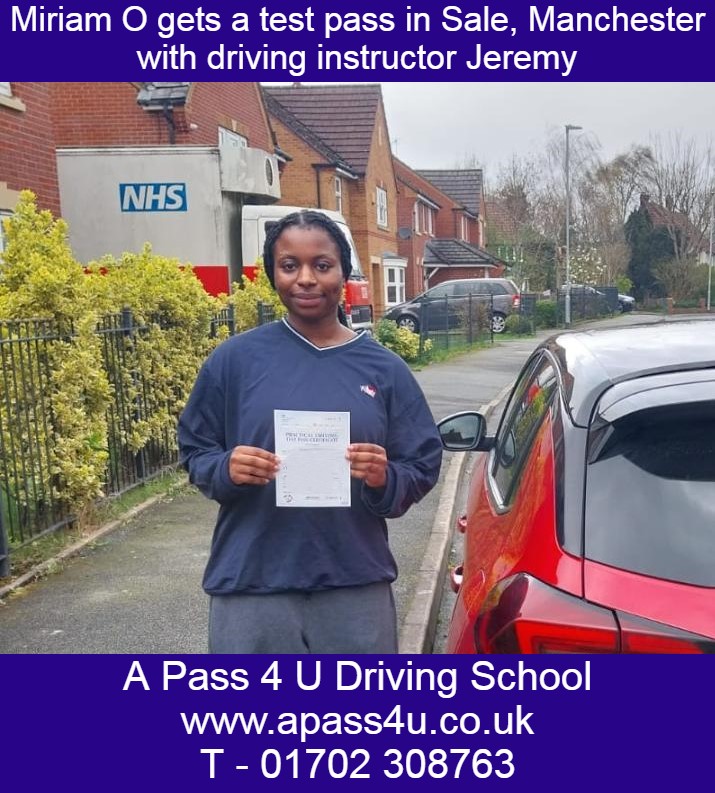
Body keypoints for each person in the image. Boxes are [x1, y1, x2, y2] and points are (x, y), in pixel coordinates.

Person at [177, 210, 442, 654]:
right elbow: (195, 448)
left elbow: (422, 461)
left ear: (342, 271)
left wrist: (385, 477)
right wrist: (226, 468)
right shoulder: (235, 361)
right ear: (272, 273)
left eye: (321, 265)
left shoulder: (384, 369)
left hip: (354, 581)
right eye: (289, 265)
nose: (305, 279)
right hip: (253, 581)